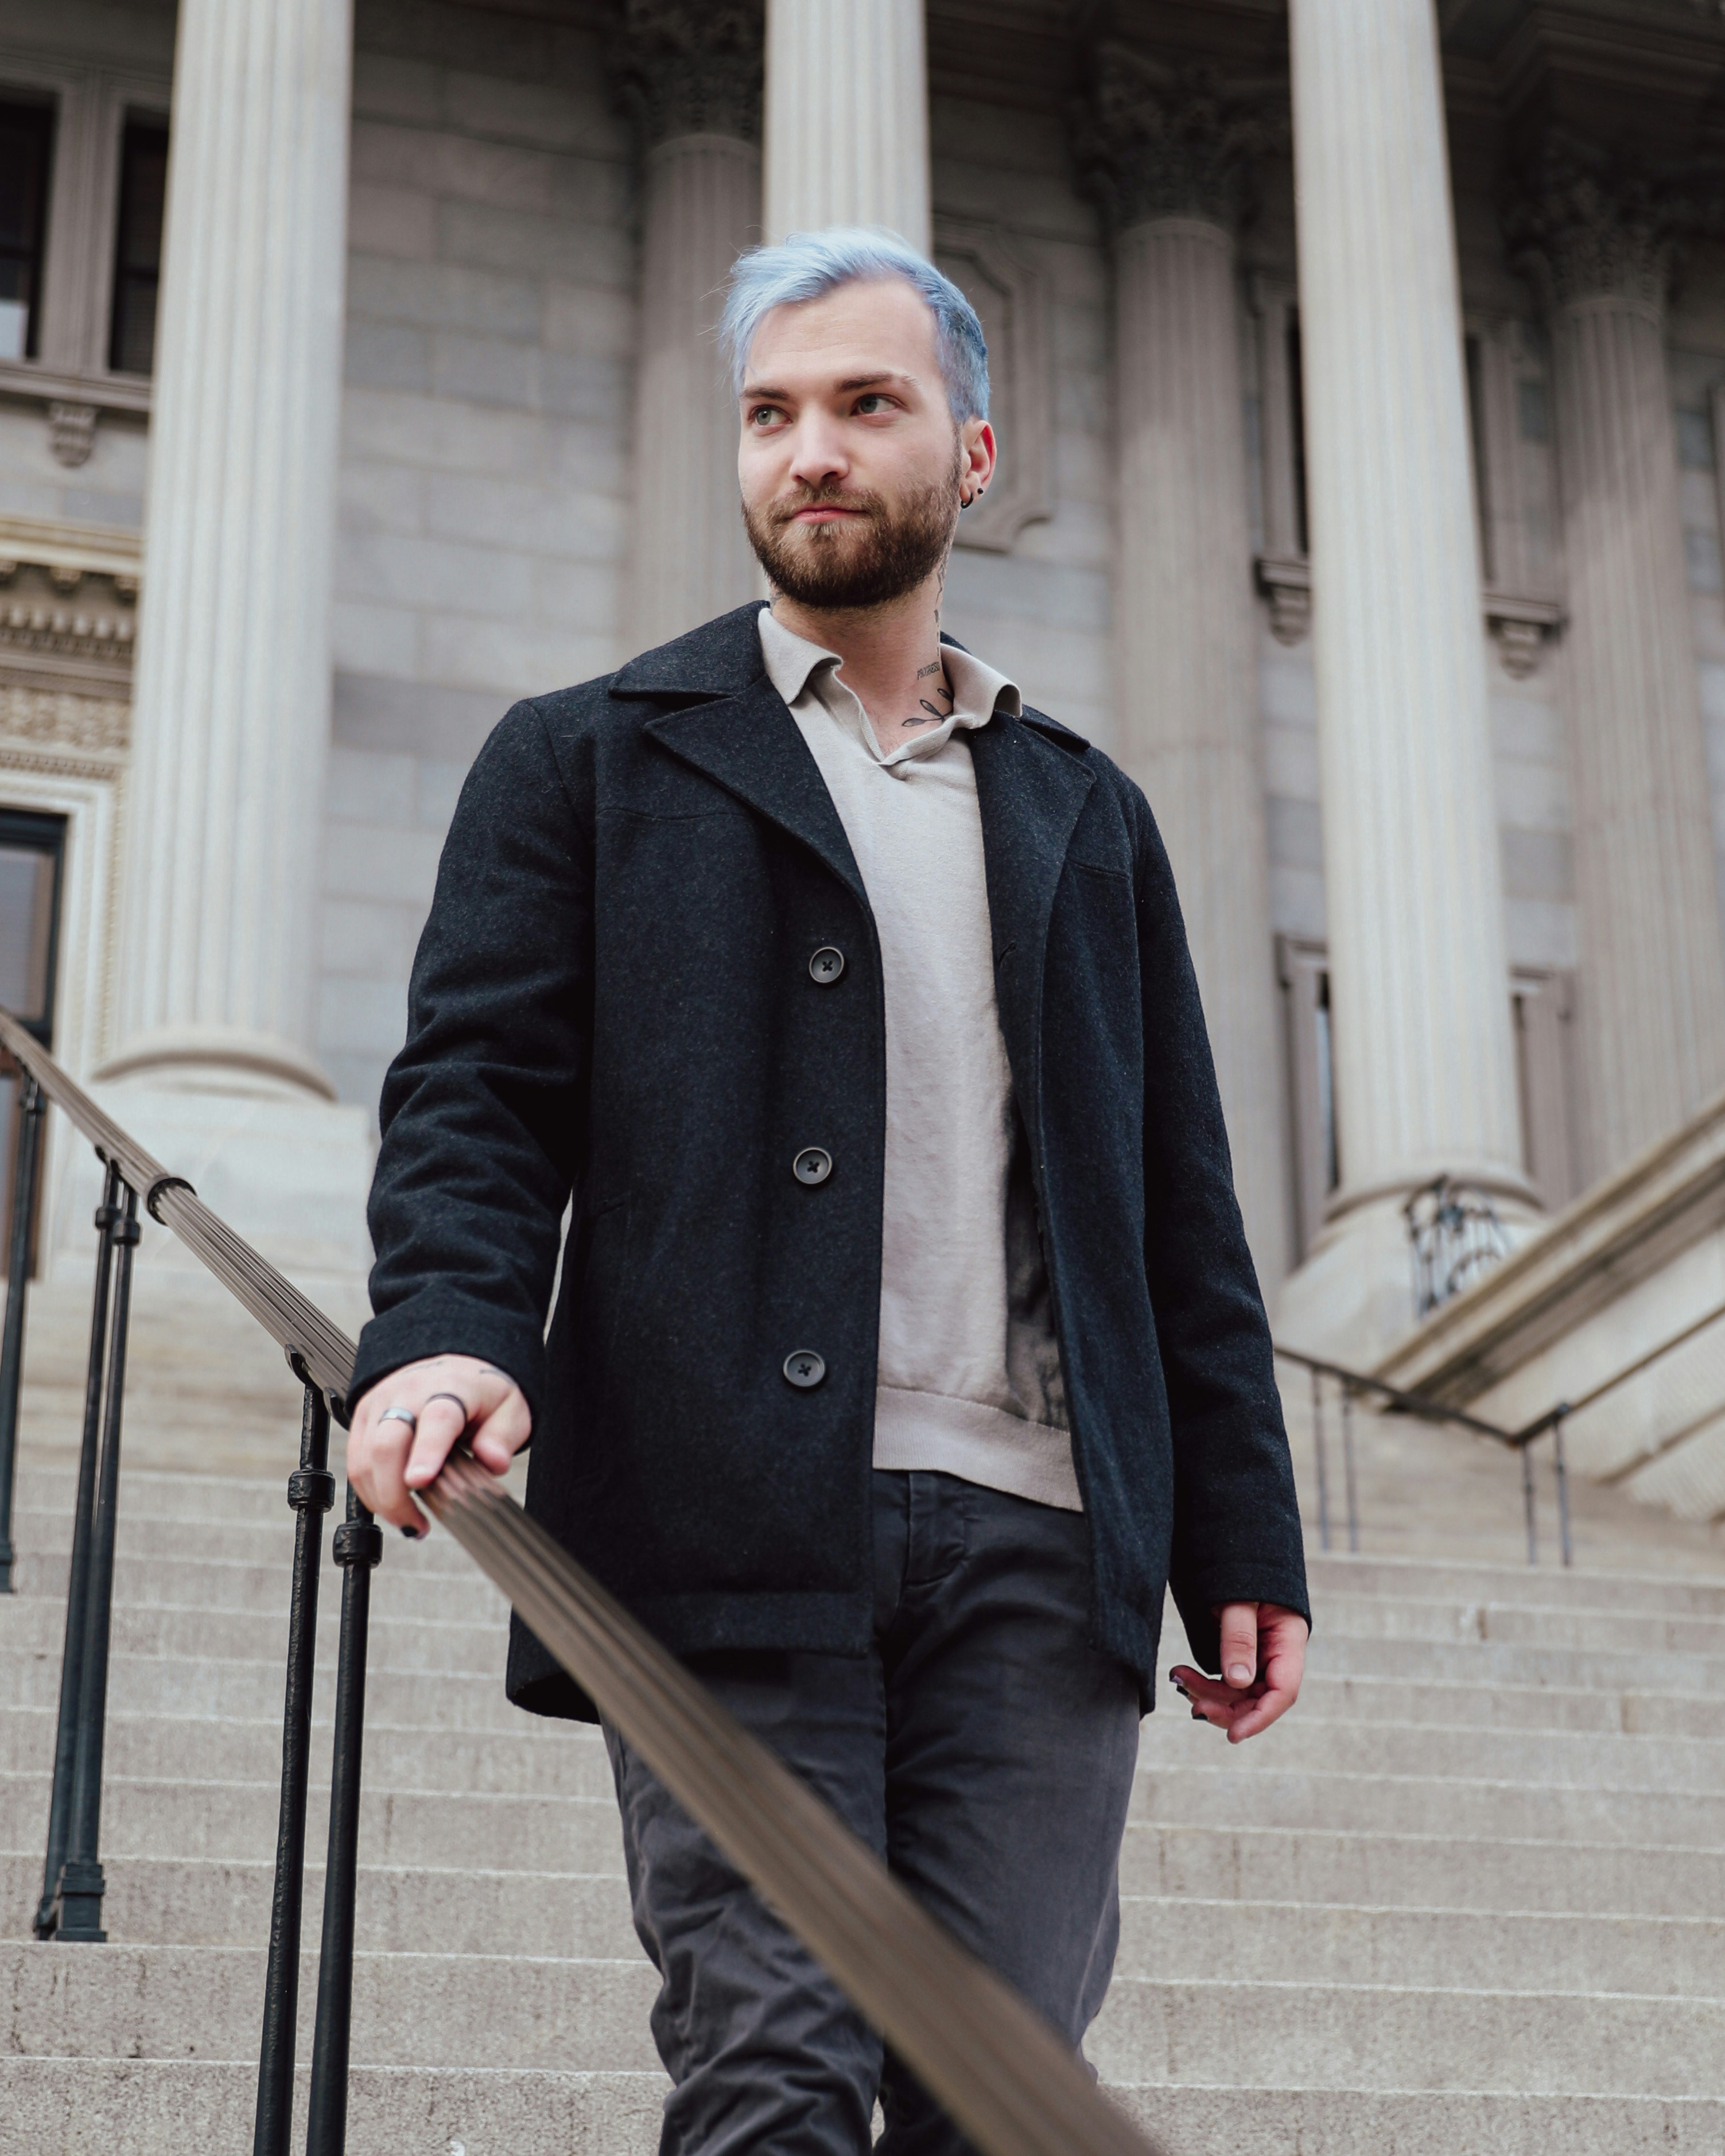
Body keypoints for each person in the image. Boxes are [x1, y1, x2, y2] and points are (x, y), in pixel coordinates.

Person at [345, 226, 1310, 2156]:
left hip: (1042, 1547)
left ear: (972, 455)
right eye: (771, 412)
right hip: (723, 1520)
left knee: (1001, 2104)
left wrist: (1241, 1530)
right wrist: (444, 1331)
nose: (811, 450)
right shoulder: (585, 761)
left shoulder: (1088, 812)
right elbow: (478, 1096)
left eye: (868, 405)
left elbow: (1176, 1208)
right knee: (769, 2074)